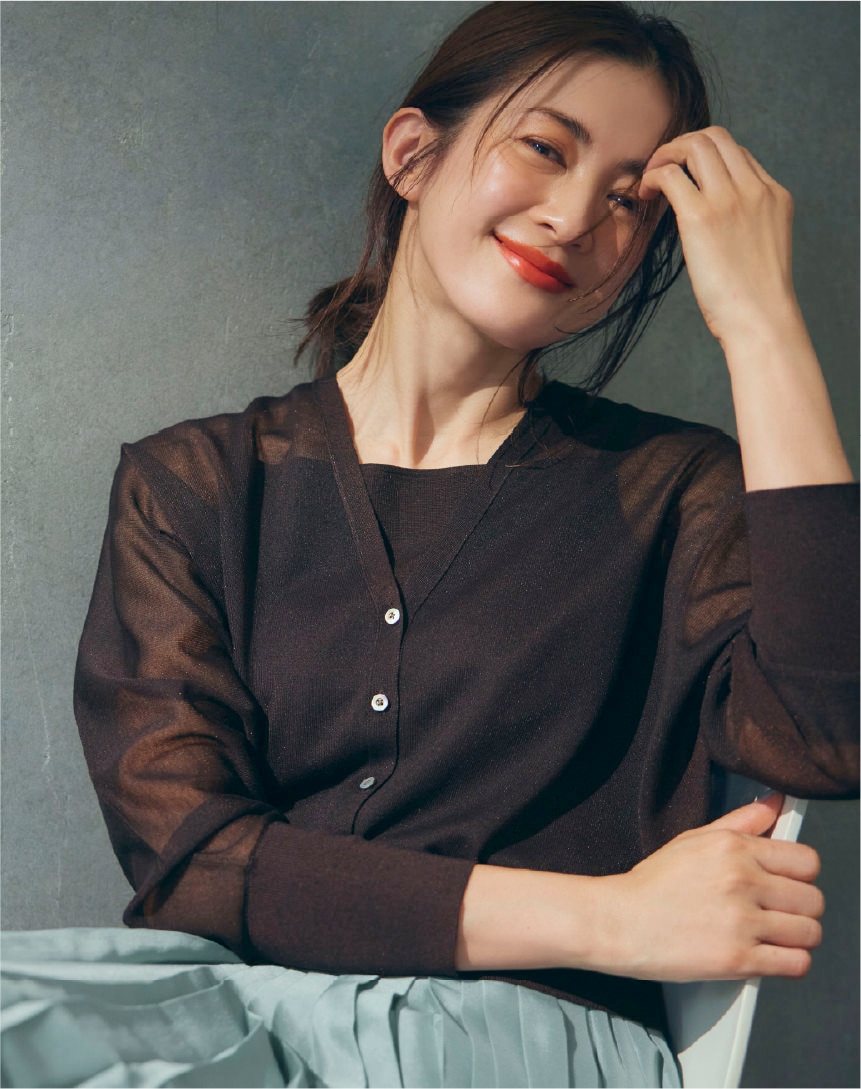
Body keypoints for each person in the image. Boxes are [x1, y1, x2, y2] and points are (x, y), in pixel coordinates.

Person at [3, 3, 856, 1087]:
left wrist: (763, 322)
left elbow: (827, 731)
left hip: (518, 1039)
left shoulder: (675, 493)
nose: (572, 217)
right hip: (243, 1017)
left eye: (626, 201)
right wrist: (612, 918)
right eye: (544, 148)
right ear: (412, 154)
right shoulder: (194, 486)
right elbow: (196, 867)